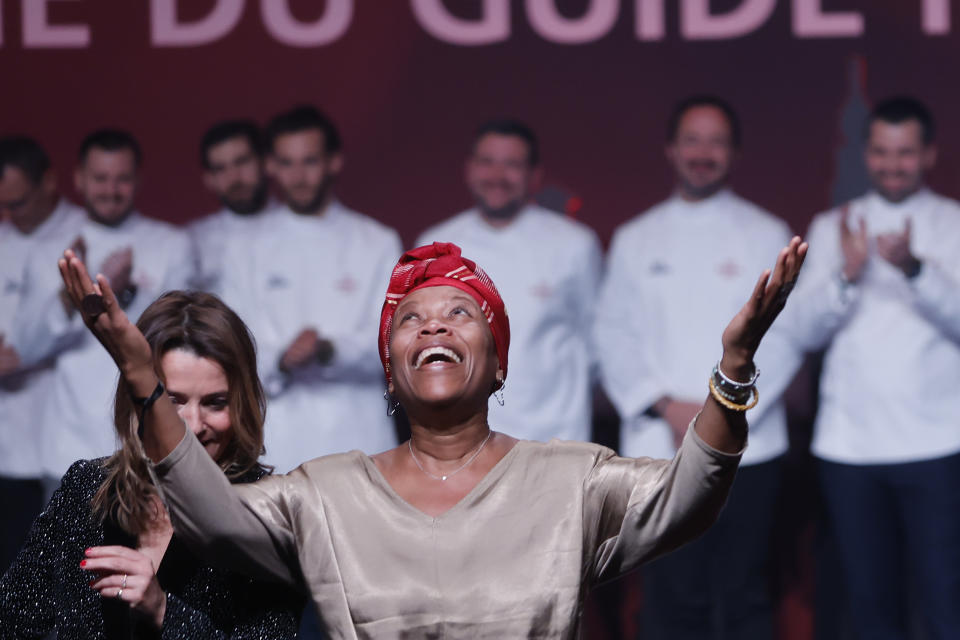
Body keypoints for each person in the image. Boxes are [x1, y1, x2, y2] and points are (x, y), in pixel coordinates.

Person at [58, 231, 806, 637]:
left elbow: (692, 497)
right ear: (390, 372)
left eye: (461, 313)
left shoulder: (573, 478)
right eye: (411, 320)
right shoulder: (327, 491)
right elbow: (212, 521)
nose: (436, 324)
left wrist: (734, 366)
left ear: (499, 364)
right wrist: (140, 376)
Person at [594, 96, 803, 639]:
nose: (702, 153)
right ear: (671, 149)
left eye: (715, 141)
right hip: (658, 451)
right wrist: (664, 404)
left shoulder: (766, 230)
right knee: (667, 602)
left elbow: (786, 336)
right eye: (692, 139)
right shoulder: (636, 238)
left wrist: (718, 408)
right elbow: (612, 336)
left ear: (733, 152)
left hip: (749, 447)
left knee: (748, 596)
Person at [0, 290, 302, 638]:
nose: (193, 424)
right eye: (172, 401)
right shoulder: (88, 488)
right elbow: (12, 620)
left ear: (243, 405)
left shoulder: (269, 516)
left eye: (216, 403)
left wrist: (164, 611)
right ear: (138, 397)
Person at [789, 96, 960, 638]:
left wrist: (915, 271)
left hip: (938, 443)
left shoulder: (953, 224)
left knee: (944, 600)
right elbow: (801, 332)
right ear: (866, 154)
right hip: (850, 447)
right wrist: (846, 275)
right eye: (883, 152)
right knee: (867, 606)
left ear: (929, 154)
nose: (893, 164)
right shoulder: (832, 224)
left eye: (905, 153)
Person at [218, 105, 401, 473]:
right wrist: (282, 360)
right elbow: (232, 345)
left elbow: (395, 341)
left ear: (334, 162)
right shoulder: (244, 247)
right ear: (270, 166)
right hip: (276, 440)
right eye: (287, 163)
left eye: (310, 162)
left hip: (362, 438)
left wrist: (328, 350)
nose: (298, 176)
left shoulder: (377, 241)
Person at [415, 120, 602, 443]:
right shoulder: (436, 244)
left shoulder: (574, 244)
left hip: (554, 437)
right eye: (487, 163)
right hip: (458, 439)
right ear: (470, 169)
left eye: (512, 164)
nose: (498, 176)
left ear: (535, 175)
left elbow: (597, 346)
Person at [34, 129, 194, 480]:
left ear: (137, 180)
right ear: (79, 179)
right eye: (100, 178)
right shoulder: (55, 245)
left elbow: (175, 336)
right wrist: (92, 288)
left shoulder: (170, 243)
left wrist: (117, 295)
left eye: (122, 179)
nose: (111, 189)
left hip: (148, 434)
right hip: (68, 437)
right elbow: (34, 343)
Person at [0, 136, 85, 571]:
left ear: (50, 182)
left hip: (60, 437)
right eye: (4, 206)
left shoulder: (86, 233)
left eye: (20, 202)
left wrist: (25, 353)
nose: (12, 215)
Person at [189, 119, 275, 294]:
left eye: (242, 162)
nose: (234, 178)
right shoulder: (194, 242)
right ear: (209, 179)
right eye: (220, 169)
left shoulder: (303, 227)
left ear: (265, 162)